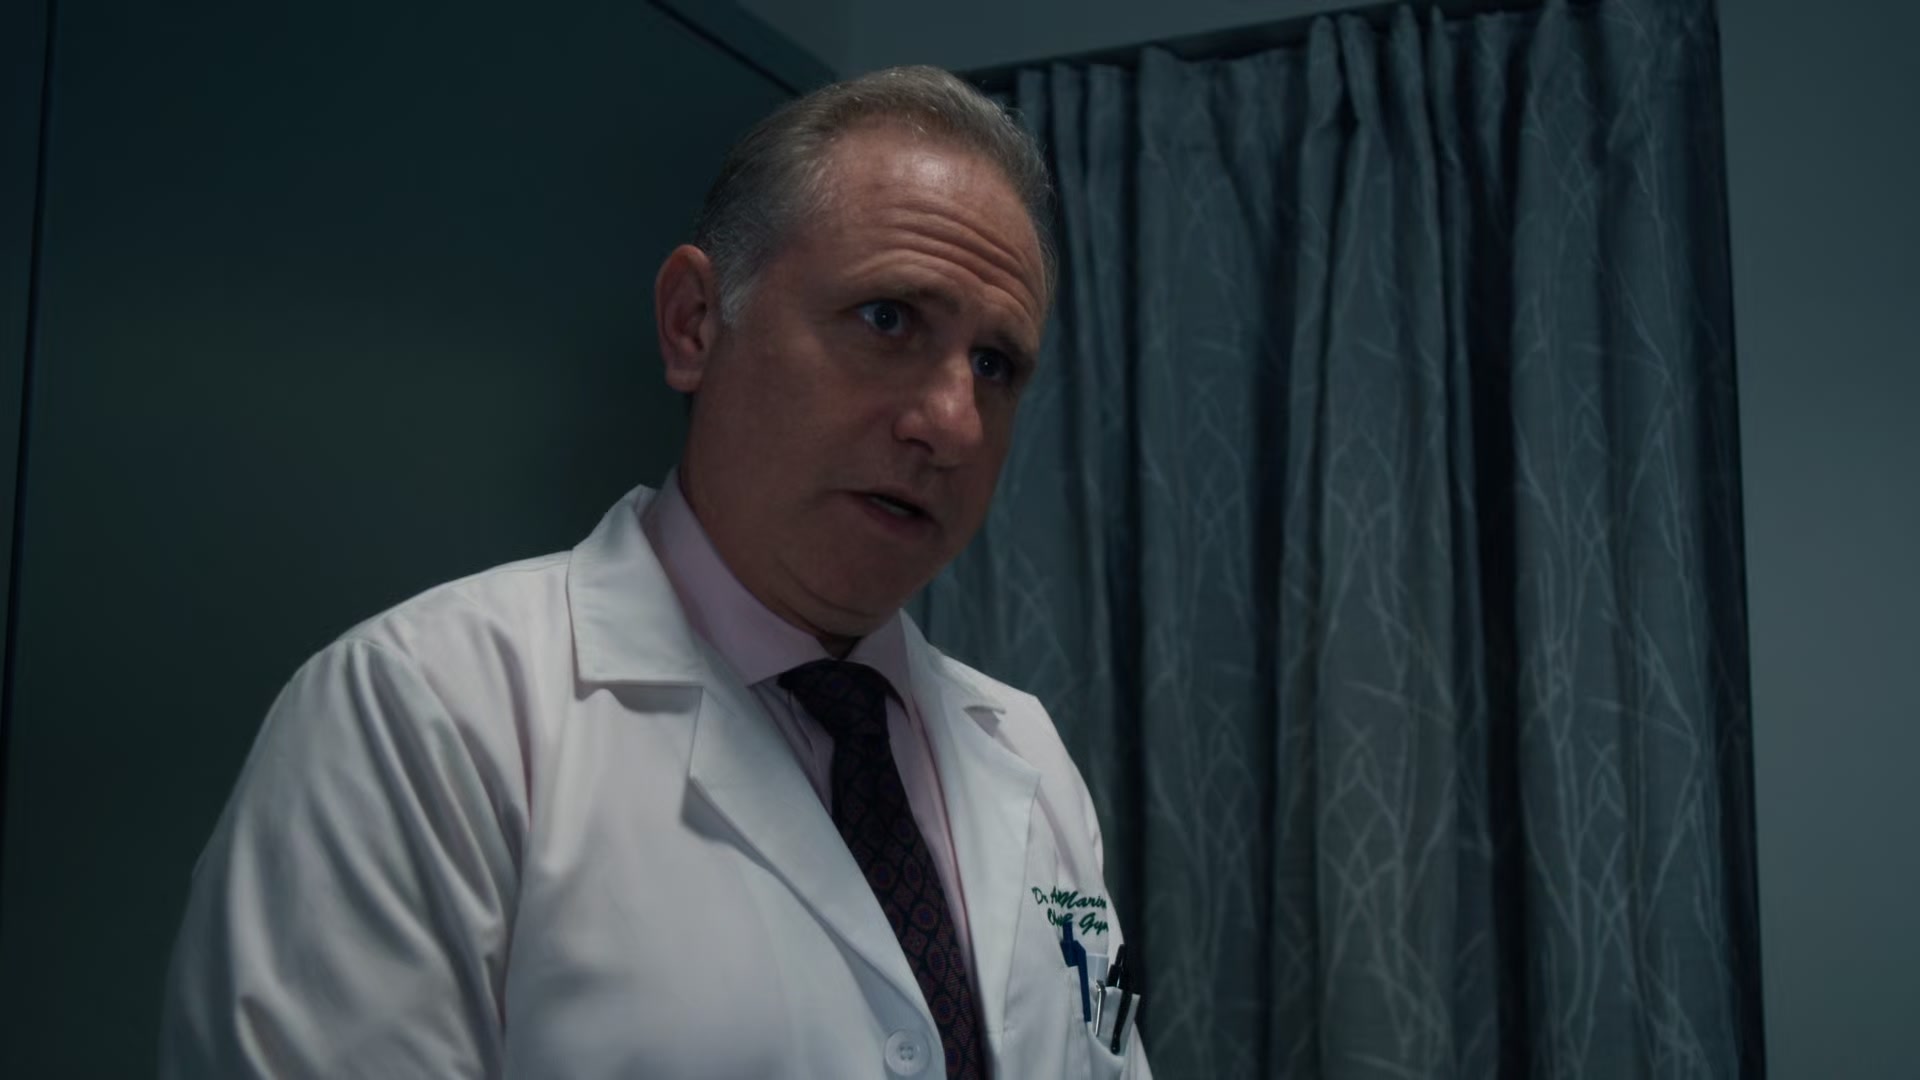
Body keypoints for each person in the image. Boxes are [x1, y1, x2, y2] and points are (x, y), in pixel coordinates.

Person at [160, 66, 1149, 1079]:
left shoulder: (1026, 753)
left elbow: (1110, 1051)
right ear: (694, 323)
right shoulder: (425, 718)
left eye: (995, 365)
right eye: (888, 318)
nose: (952, 423)